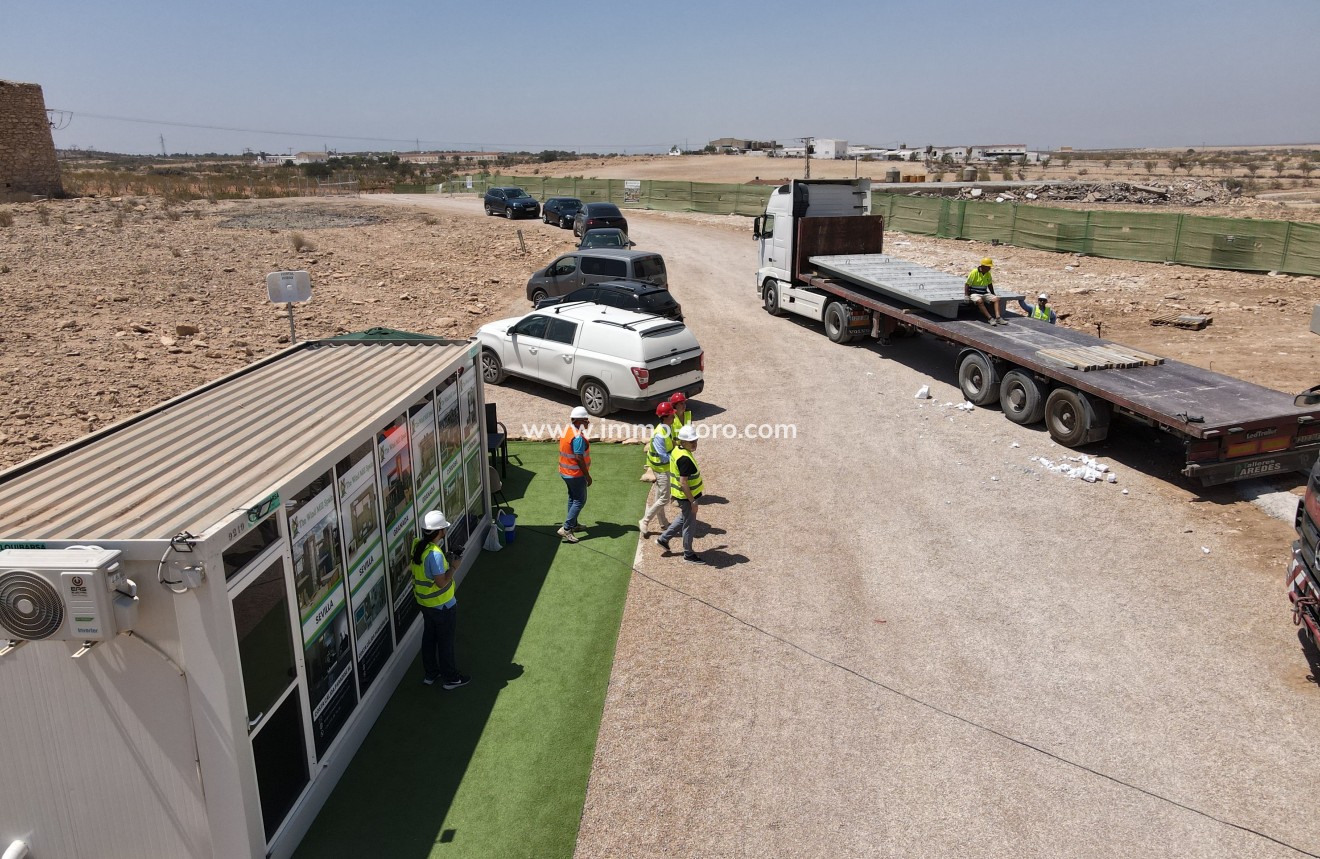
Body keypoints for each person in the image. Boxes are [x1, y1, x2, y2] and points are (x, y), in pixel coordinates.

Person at [412, 510, 469, 689]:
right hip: (442, 606)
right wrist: (454, 566)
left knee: (429, 638)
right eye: (444, 528)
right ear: (440, 532)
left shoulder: (418, 546)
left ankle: (431, 673)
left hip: (425, 604)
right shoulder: (435, 554)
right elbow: (441, 583)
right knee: (445, 643)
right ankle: (451, 679)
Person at [656, 424, 706, 564]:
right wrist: (693, 501)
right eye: (691, 441)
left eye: (695, 440)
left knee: (684, 518)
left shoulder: (677, 450)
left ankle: (663, 539)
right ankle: (688, 553)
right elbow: (683, 482)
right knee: (689, 524)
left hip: (681, 495)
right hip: (687, 497)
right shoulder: (685, 459)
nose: (695, 443)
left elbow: (676, 475)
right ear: (683, 442)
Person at [638, 402, 675, 536]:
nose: (674, 417)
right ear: (664, 417)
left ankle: (663, 523)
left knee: (660, 496)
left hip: (660, 467)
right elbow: (664, 456)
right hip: (661, 468)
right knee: (664, 498)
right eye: (671, 415)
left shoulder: (666, 427)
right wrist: (677, 455)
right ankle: (645, 521)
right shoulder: (660, 434)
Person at [557, 406, 592, 543]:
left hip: (565, 473)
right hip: (575, 474)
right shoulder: (577, 437)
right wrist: (587, 476)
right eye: (586, 420)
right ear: (578, 421)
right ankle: (566, 529)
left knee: (572, 497)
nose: (588, 423)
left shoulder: (567, 429)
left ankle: (574, 524)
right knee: (579, 500)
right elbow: (578, 457)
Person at [964, 257, 1004, 326]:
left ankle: (998, 317)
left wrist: (993, 294)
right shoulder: (974, 272)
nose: (989, 268)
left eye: (990, 267)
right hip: (974, 293)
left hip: (984, 293)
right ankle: (990, 318)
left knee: (996, 299)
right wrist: (966, 295)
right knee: (980, 301)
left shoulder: (987, 273)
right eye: (988, 267)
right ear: (983, 266)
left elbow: (990, 284)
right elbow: (967, 284)